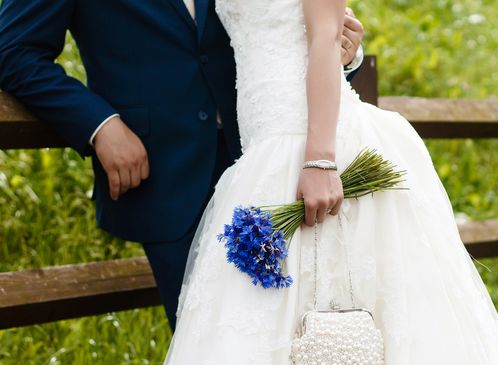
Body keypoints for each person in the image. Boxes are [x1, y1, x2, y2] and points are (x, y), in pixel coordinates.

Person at [143, 0, 498, 365]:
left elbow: (324, 35)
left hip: (314, 146)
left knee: (351, 303)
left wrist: (320, 160)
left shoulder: (317, 155)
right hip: (261, 153)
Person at [0, 0, 364, 332]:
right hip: (165, 176)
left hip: (276, 163)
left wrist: (343, 51)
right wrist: (100, 125)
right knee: (214, 349)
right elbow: (13, 51)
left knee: (315, 329)